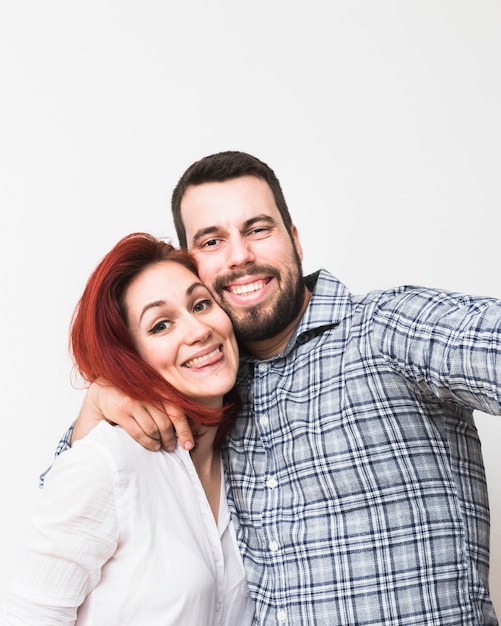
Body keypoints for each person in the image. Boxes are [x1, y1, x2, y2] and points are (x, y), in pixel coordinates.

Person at [46, 152, 500, 625]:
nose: (240, 255)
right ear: (191, 265)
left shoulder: (388, 328)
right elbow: (72, 513)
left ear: (295, 239)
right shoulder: (204, 388)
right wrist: (97, 405)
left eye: (258, 229)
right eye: (212, 240)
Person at [1, 232, 254, 625]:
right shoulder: (107, 464)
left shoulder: (251, 458)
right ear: (130, 359)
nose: (198, 330)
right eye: (160, 325)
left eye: (201, 304)